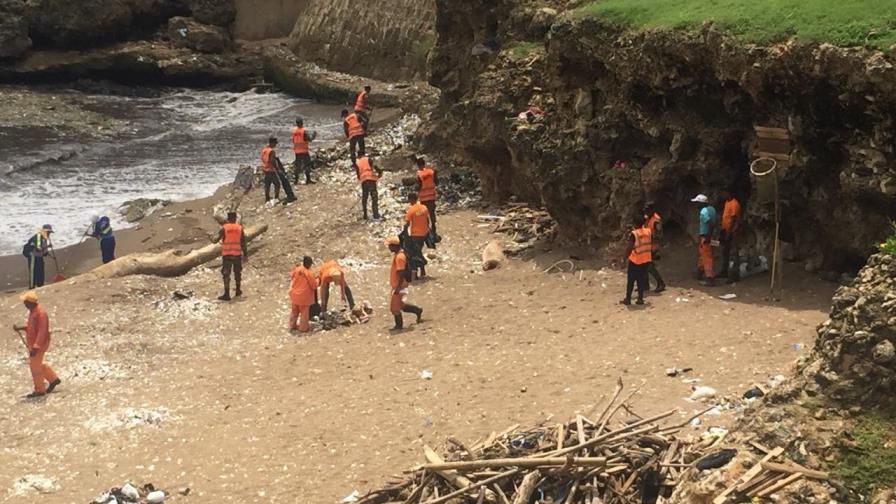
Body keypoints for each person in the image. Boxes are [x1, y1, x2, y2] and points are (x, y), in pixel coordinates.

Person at [12, 291, 60, 398]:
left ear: (30, 302)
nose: (24, 304)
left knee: (34, 366)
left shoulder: (41, 313)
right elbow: (32, 327)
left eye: (25, 302)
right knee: (37, 363)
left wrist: (36, 347)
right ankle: (53, 378)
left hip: (39, 345)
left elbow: (42, 331)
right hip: (35, 344)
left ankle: (39, 389)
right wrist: (21, 328)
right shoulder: (34, 311)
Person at [386, 236, 423, 330]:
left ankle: (399, 326)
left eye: (390, 246)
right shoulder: (398, 255)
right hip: (399, 285)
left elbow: (401, 272)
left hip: (400, 285)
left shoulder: (399, 257)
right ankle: (417, 310)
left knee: (394, 308)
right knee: (400, 305)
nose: (388, 248)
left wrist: (398, 287)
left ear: (394, 246)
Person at [621, 215, 653, 306]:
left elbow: (629, 248)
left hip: (635, 260)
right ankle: (640, 299)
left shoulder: (634, 234)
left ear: (634, 223)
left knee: (631, 280)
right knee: (641, 279)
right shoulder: (648, 231)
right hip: (646, 259)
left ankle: (628, 299)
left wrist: (624, 259)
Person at [218, 212, 247, 301]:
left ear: (228, 219)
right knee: (237, 273)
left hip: (227, 254)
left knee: (226, 274)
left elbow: (216, 239)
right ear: (235, 219)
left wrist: (211, 237)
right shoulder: (239, 228)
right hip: (237, 254)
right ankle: (238, 290)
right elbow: (243, 242)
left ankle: (227, 294)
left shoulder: (224, 228)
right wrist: (245, 254)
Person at [692, 193, 718, 286]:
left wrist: (708, 236)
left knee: (707, 257)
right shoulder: (712, 209)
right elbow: (714, 222)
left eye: (697, 203)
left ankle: (709, 278)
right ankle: (699, 271)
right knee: (703, 254)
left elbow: (710, 223)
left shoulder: (703, 211)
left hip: (706, 236)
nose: (696, 205)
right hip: (710, 235)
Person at [403, 192, 430, 278]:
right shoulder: (424, 207)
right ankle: (422, 271)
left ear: (410, 200)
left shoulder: (410, 210)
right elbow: (427, 220)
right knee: (419, 251)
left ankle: (416, 274)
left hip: (415, 234)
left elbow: (407, 224)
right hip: (424, 234)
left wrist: (404, 233)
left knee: (414, 254)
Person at [288, 256, 317, 333]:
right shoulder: (309, 273)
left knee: (294, 311)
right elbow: (314, 285)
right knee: (304, 313)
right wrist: (318, 280)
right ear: (309, 264)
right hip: (304, 297)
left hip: (294, 295)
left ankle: (292, 325)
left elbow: (292, 277)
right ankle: (303, 328)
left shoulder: (297, 269)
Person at [719, 190, 743, 283]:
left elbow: (734, 219)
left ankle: (733, 275)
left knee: (733, 253)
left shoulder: (734, 204)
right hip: (726, 230)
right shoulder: (727, 202)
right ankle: (724, 271)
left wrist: (729, 233)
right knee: (725, 252)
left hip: (733, 231)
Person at [643, 203, 665, 293]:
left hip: (653, 246)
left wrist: (649, 236)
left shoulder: (656, 221)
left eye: (648, 209)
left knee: (648, 266)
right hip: (646, 245)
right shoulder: (647, 217)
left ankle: (661, 283)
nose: (646, 211)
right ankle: (645, 285)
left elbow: (660, 235)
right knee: (644, 266)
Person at [415, 157, 439, 238]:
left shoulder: (419, 174)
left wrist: (416, 190)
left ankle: (427, 229)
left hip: (424, 198)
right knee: (432, 212)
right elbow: (436, 182)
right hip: (432, 196)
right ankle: (434, 226)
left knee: (425, 214)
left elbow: (419, 186)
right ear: (424, 163)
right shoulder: (431, 172)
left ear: (418, 165)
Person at [23, 225, 53, 289]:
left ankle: (40, 285)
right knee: (33, 272)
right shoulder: (38, 236)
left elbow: (43, 251)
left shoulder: (44, 238)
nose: (49, 234)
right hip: (33, 256)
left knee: (40, 270)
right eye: (48, 232)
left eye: (49, 232)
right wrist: (48, 247)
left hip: (39, 256)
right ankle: (31, 287)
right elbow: (38, 248)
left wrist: (46, 252)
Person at [291, 117, 317, 185]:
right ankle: (308, 180)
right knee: (307, 165)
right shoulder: (303, 131)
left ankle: (296, 181)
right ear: (302, 123)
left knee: (298, 166)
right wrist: (314, 135)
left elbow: (293, 140)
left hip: (297, 151)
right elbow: (309, 139)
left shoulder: (294, 131)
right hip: (304, 150)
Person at [355, 155, 382, 220]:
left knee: (365, 197)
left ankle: (365, 215)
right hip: (371, 179)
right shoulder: (368, 159)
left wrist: (361, 178)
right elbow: (376, 167)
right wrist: (379, 173)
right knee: (374, 197)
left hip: (364, 181)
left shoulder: (357, 162)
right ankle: (375, 215)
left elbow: (358, 174)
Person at [261, 136, 281, 202]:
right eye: (275, 143)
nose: (275, 145)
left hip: (265, 168)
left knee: (267, 184)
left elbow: (263, 158)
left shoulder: (264, 149)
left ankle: (267, 198)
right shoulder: (271, 151)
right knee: (277, 184)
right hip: (271, 170)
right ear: (272, 143)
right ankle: (276, 197)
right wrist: (277, 168)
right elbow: (272, 160)